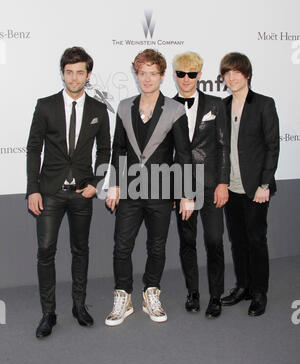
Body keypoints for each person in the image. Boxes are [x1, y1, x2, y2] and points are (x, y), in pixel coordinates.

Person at [105, 49, 194, 326]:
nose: (147, 78)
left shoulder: (175, 110)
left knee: (157, 247)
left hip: (160, 192)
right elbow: (118, 148)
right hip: (130, 191)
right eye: (142, 73)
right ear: (136, 74)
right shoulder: (123, 107)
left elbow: (184, 154)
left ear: (162, 76)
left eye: (152, 73)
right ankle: (124, 297)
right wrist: (114, 185)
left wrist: (186, 193)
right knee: (122, 246)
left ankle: (151, 293)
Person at [27, 47, 111, 338]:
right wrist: (32, 190)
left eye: (80, 72)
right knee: (46, 251)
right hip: (49, 192)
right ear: (62, 73)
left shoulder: (99, 110)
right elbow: (33, 149)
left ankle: (79, 305)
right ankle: (48, 313)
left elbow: (105, 150)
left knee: (81, 250)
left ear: (88, 75)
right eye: (69, 72)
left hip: (81, 193)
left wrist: (97, 183)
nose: (74, 78)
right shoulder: (45, 105)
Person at [220, 52, 280, 316]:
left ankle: (259, 292)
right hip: (230, 187)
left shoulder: (264, 104)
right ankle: (243, 286)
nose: (231, 77)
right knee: (237, 240)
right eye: (227, 73)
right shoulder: (222, 106)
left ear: (247, 74)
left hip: (256, 188)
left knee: (256, 240)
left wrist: (264, 184)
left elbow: (272, 146)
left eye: (236, 72)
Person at [173, 52, 230, 318]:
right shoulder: (167, 106)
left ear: (199, 75)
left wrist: (222, 183)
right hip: (181, 186)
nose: (187, 79)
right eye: (182, 73)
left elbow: (223, 147)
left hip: (210, 185)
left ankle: (216, 296)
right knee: (187, 242)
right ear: (175, 75)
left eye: (192, 74)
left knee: (214, 241)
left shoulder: (216, 104)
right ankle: (193, 293)